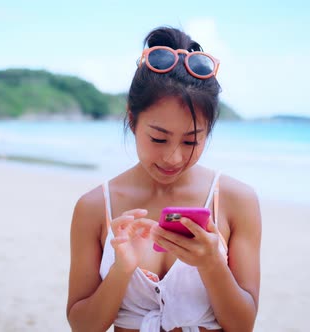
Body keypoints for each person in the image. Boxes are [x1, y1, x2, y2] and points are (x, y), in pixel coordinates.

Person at [67, 26, 261, 332]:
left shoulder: (237, 201)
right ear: (132, 120)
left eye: (190, 141)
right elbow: (82, 325)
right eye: (159, 139)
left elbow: (242, 325)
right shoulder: (93, 207)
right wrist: (121, 271)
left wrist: (212, 264)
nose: (173, 158)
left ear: (208, 132)